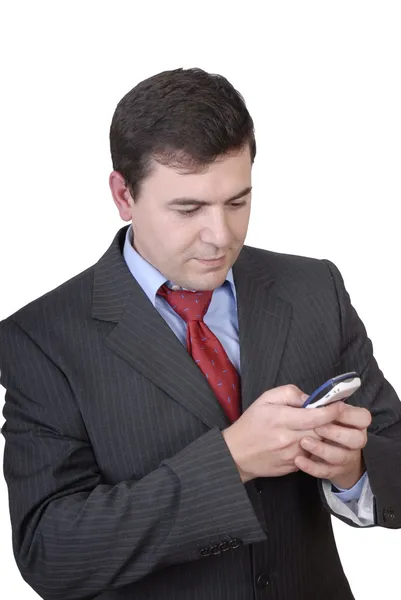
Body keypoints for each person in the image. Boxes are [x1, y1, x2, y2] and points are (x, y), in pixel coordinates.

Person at [0, 67, 400, 600]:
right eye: (188, 209)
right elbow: (52, 552)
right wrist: (230, 461)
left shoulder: (314, 288)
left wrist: (354, 469)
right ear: (123, 195)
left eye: (237, 202)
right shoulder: (40, 339)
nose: (221, 236)